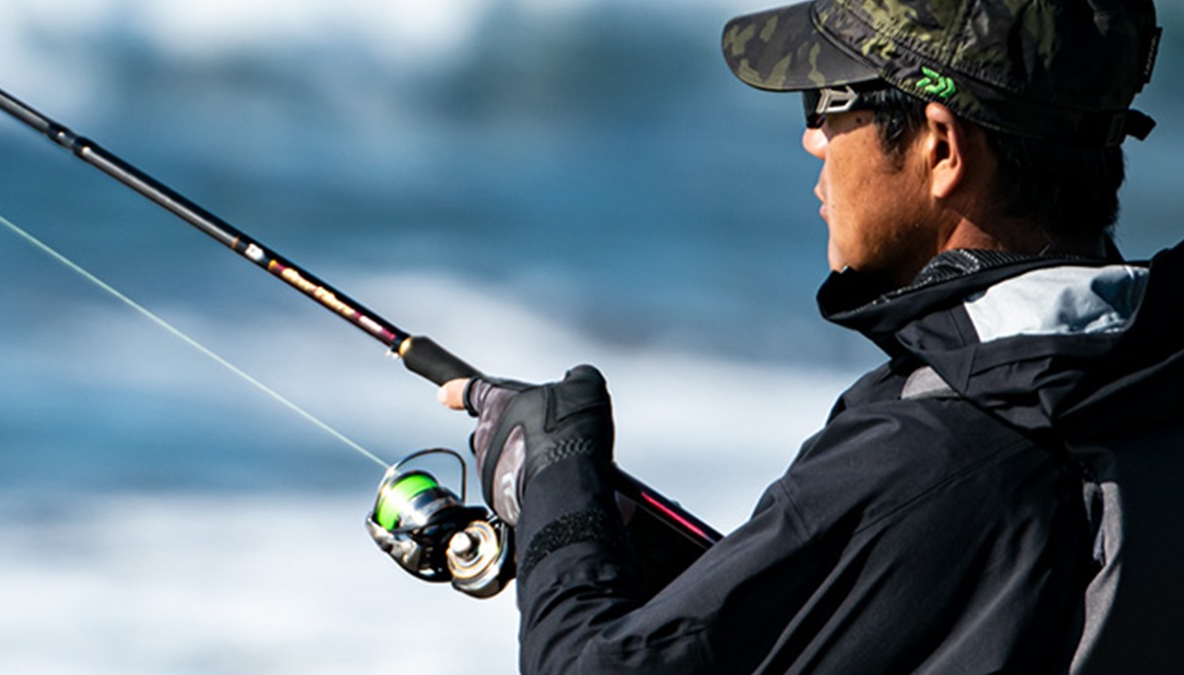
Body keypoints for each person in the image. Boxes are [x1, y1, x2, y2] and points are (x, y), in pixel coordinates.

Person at [436, 0, 1184, 672]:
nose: (813, 140)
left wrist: (556, 490)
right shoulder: (1144, 377)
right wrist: (637, 551)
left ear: (941, 147)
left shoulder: (931, 448)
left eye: (826, 102)